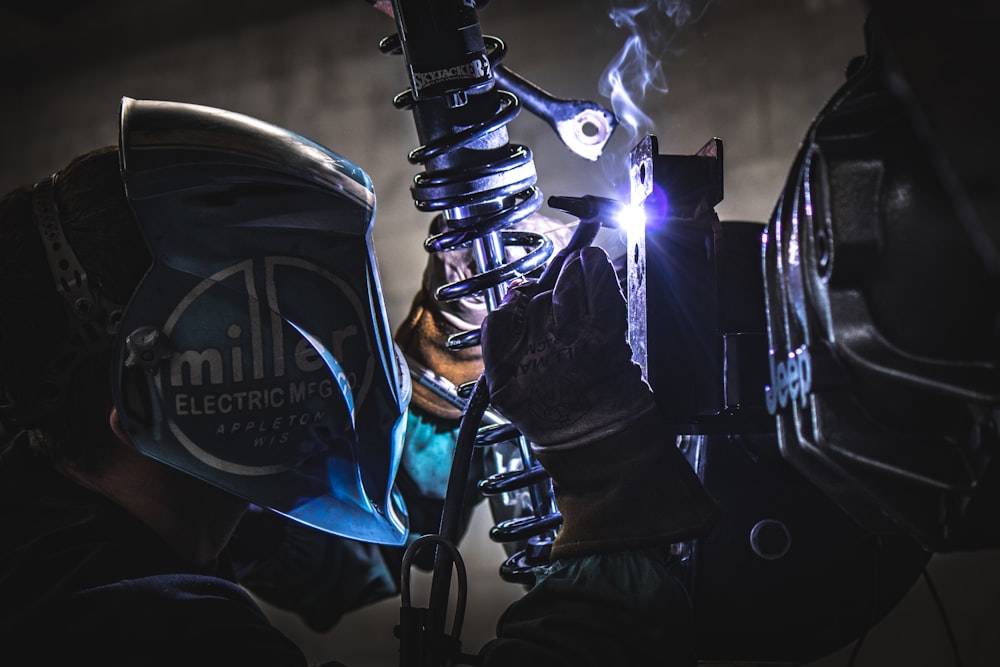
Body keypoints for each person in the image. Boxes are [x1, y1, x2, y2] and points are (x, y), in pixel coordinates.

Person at [0, 96, 717, 666]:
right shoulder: (128, 628)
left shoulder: (72, 497)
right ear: (147, 391)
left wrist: (450, 337)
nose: (315, 364)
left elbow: (347, 541)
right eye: (270, 331)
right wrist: (608, 479)